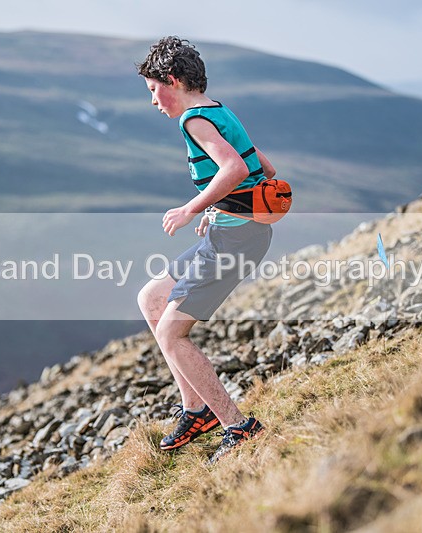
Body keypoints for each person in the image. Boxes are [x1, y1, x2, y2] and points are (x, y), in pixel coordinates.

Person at [136, 36, 275, 463]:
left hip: (237, 240)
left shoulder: (193, 121)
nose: (154, 101)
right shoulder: (219, 110)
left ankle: (239, 426)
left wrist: (191, 207)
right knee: (152, 298)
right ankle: (197, 411)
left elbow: (233, 167)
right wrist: (220, 207)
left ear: (172, 81)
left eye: (153, 90)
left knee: (170, 335)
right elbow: (262, 168)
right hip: (234, 231)